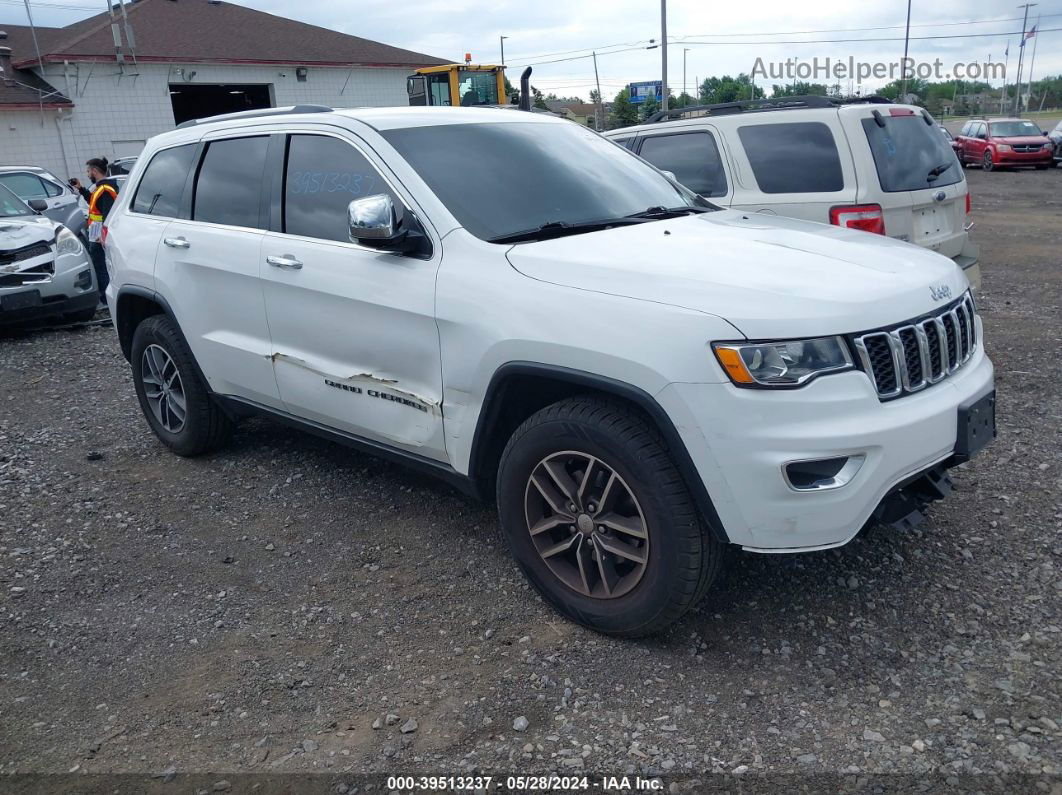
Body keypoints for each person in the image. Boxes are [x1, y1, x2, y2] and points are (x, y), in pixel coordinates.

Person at [70, 157, 119, 309]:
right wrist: (81, 189)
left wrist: (103, 236)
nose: (87, 174)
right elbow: (94, 202)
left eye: (88, 171)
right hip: (96, 231)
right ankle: (106, 299)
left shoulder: (105, 189)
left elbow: (107, 215)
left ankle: (106, 300)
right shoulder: (101, 188)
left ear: (95, 171)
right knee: (100, 264)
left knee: (101, 266)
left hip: (99, 233)